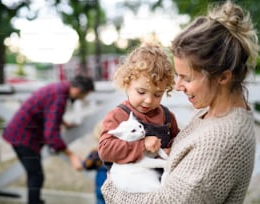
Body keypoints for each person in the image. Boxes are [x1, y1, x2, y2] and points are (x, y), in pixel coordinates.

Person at [100, 1, 259, 203]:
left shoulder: (222, 139)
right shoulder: (209, 114)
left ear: (222, 77)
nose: (177, 86)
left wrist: (111, 188)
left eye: (187, 78)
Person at [2, 75, 94, 204]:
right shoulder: (59, 98)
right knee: (36, 176)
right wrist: (71, 155)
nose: (83, 98)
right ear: (78, 90)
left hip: (19, 134)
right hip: (23, 138)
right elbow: (51, 135)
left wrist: (64, 124)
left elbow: (49, 113)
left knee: (35, 175)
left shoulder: (59, 90)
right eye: (84, 95)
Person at [98, 43, 180, 179]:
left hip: (161, 182)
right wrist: (142, 145)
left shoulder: (167, 117)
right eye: (141, 92)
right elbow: (105, 150)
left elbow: (177, 141)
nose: (148, 100)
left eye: (157, 94)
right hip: (131, 182)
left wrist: (172, 151)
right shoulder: (118, 115)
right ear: (126, 83)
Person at [82, 121, 107, 204]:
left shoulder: (95, 153)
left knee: (100, 201)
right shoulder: (118, 152)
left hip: (100, 184)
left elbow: (86, 165)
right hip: (114, 184)